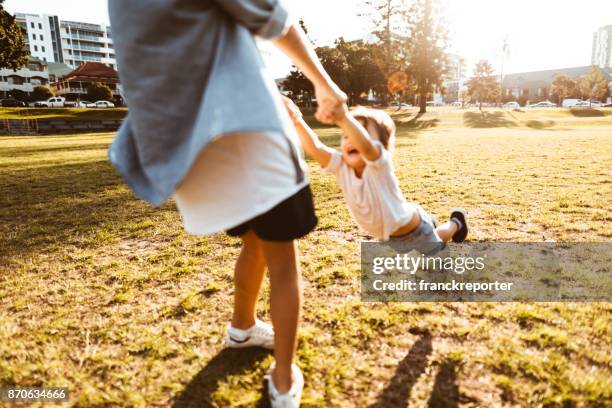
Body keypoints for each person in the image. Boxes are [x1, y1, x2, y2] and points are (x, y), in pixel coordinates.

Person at [107, 1, 346, 407]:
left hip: (182, 142)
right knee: (284, 260)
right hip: (244, 125)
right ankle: (284, 382)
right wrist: (325, 84)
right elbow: (273, 18)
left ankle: (242, 328)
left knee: (256, 238)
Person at [282, 97, 469, 250]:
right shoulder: (341, 166)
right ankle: (432, 219)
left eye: (359, 133)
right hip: (389, 237)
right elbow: (315, 148)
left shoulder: (378, 164)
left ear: (381, 145)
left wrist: (343, 118)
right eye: (345, 136)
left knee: (435, 246)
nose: (350, 140)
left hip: (415, 228)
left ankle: (456, 222)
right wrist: (297, 120)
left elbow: (366, 147)